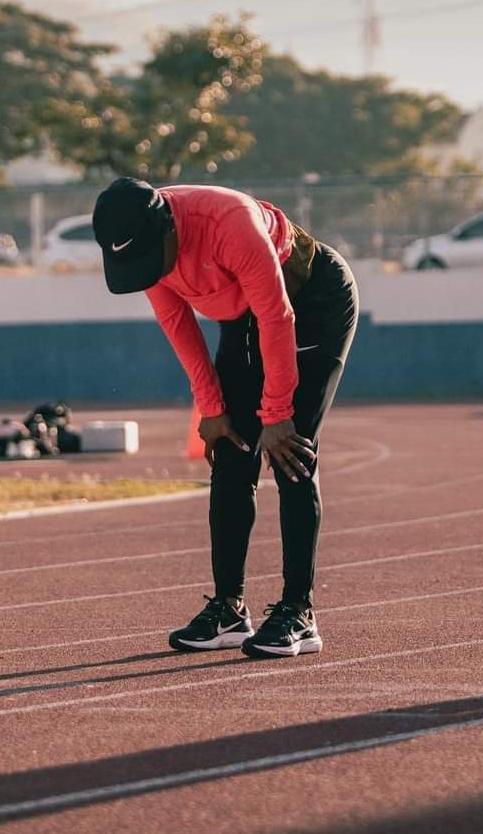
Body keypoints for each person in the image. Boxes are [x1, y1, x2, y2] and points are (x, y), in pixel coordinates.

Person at [92, 178, 358, 657]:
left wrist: (277, 413)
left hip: (311, 301)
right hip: (244, 315)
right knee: (233, 451)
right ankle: (229, 610)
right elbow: (178, 324)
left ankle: (299, 611)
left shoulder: (227, 222)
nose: (152, 271)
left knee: (290, 450)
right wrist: (212, 409)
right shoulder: (142, 245)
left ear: (169, 227)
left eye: (155, 259)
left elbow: (278, 317)